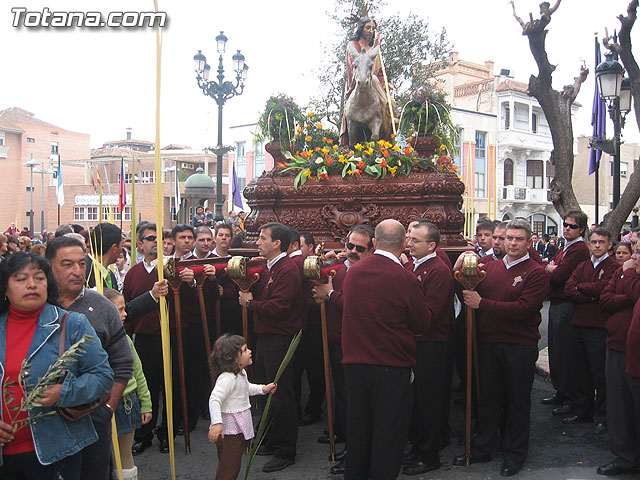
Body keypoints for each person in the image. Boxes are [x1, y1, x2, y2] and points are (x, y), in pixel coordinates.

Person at [0, 252, 113, 479]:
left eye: (39, 278)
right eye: (21, 279)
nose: (31, 285)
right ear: (6, 288)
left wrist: (65, 392)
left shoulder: (71, 324)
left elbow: (103, 376)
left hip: (56, 451)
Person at [454, 219, 550, 477]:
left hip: (519, 345)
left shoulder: (536, 272)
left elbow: (523, 309)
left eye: (519, 239)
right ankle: (483, 447)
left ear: (528, 242)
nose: (513, 243)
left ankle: (514, 453)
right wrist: (460, 265)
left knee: (516, 401)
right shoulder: (490, 268)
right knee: (488, 398)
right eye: (509, 238)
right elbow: (464, 283)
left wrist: (482, 304)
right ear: (503, 240)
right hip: (489, 344)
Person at [342, 219, 430, 479]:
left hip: (355, 365)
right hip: (392, 366)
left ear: (375, 243)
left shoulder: (354, 273)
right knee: (388, 434)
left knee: (358, 430)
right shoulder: (406, 278)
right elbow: (422, 323)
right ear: (404, 244)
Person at [45, 236, 134, 479]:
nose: (77, 271)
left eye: (82, 264)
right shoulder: (36, 306)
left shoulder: (102, 306)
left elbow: (123, 363)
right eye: (67, 264)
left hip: (93, 420)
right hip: (44, 422)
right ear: (49, 267)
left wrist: (108, 408)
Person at [238, 222, 303, 472]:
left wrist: (250, 304)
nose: (258, 242)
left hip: (280, 338)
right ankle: (272, 439)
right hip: (266, 337)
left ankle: (286, 449)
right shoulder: (269, 267)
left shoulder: (287, 269)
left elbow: (279, 307)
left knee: (281, 393)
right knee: (266, 389)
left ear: (277, 243)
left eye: (263, 238)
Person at [312, 224, 374, 475]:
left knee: (356, 400)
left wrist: (329, 295)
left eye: (360, 248)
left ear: (372, 249)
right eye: (350, 246)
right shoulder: (334, 270)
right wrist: (318, 293)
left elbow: (361, 308)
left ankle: (355, 451)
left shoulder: (372, 273)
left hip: (362, 346)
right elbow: (314, 289)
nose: (352, 251)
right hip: (337, 341)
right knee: (341, 393)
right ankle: (344, 437)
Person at [402, 221, 454, 475]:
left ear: (431, 245)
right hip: (413, 341)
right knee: (415, 400)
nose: (409, 244)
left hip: (430, 343)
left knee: (429, 400)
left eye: (415, 241)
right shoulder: (412, 265)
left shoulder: (438, 271)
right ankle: (418, 445)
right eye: (409, 239)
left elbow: (430, 313)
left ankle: (429, 453)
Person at [563, 227, 618, 432]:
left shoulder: (612, 267)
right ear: (588, 244)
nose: (597, 246)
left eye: (601, 242)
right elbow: (569, 288)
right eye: (593, 242)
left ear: (609, 245)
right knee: (581, 371)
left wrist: (583, 289)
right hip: (578, 323)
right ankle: (582, 410)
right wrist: (589, 293)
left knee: (599, 373)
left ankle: (602, 415)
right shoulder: (583, 265)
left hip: (598, 326)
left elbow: (603, 289)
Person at [207, 334, 277, 480]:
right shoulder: (227, 378)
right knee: (230, 466)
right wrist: (217, 423)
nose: (250, 351)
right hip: (230, 431)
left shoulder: (240, 374)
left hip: (236, 429)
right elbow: (215, 399)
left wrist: (262, 389)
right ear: (232, 358)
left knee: (230, 463)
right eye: (244, 350)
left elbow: (245, 388)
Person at [598, 242, 640, 476]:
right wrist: (626, 289)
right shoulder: (623, 272)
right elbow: (605, 299)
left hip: (635, 354)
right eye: (634, 251)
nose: (634, 257)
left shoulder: (628, 271)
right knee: (619, 406)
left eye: (638, 252)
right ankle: (625, 456)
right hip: (617, 346)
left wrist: (628, 276)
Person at [542, 210, 590, 413]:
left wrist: (553, 268)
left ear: (581, 229)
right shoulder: (566, 247)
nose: (567, 228)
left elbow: (558, 274)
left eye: (572, 226)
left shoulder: (579, 249)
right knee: (556, 350)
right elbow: (552, 268)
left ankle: (570, 396)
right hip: (556, 302)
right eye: (566, 224)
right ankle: (561, 391)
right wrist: (551, 267)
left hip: (565, 304)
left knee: (565, 352)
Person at [104, 288, 152, 480]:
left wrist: (146, 403)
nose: (125, 314)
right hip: (101, 405)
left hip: (126, 403)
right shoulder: (91, 341)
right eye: (121, 309)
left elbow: (138, 373)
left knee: (125, 455)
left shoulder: (125, 340)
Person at [339, 15, 393, 146]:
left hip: (375, 85)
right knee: (372, 78)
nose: (371, 30)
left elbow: (379, 70)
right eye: (368, 27)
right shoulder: (353, 46)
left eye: (373, 28)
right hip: (360, 82)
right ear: (361, 29)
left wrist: (386, 83)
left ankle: (387, 119)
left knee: (391, 101)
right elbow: (354, 67)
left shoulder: (374, 48)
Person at [85, 222, 123, 290]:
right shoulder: (84, 271)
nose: (121, 250)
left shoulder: (110, 275)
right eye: (121, 245)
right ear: (114, 248)